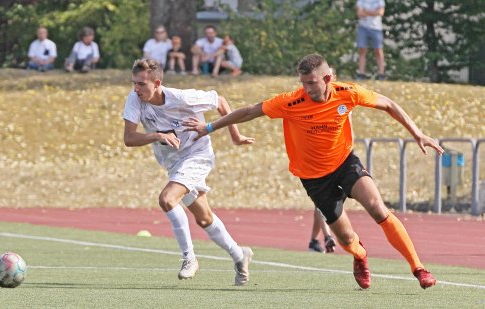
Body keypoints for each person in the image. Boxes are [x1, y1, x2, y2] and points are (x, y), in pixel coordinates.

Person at [184, 53, 442, 290]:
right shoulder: (291, 101)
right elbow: (250, 111)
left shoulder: (348, 93)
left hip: (345, 163)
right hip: (314, 178)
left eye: (312, 82)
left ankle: (418, 268)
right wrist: (209, 128)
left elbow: (388, 104)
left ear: (328, 78)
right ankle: (360, 255)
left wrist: (417, 134)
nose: (307, 88)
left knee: (378, 208)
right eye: (303, 83)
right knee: (345, 237)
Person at [123, 59, 255, 285]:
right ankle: (239, 254)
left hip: (197, 155)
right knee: (204, 219)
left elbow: (220, 101)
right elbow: (129, 139)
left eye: (141, 84)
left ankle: (189, 259)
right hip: (174, 163)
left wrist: (235, 136)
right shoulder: (135, 99)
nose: (136, 89)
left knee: (167, 199)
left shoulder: (182, 98)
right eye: (134, 83)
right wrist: (157, 135)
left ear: (157, 83)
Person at [308, 66, 338, 254]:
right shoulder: (311, 101)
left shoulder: (341, 99)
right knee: (321, 202)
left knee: (324, 203)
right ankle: (327, 236)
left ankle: (313, 240)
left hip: (337, 158)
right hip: (315, 159)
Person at [356, 0, 386, 81]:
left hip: (376, 28)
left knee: (378, 50)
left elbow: (381, 12)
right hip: (363, 27)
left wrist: (367, 12)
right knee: (362, 50)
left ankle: (381, 73)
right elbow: (359, 13)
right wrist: (374, 12)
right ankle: (361, 73)